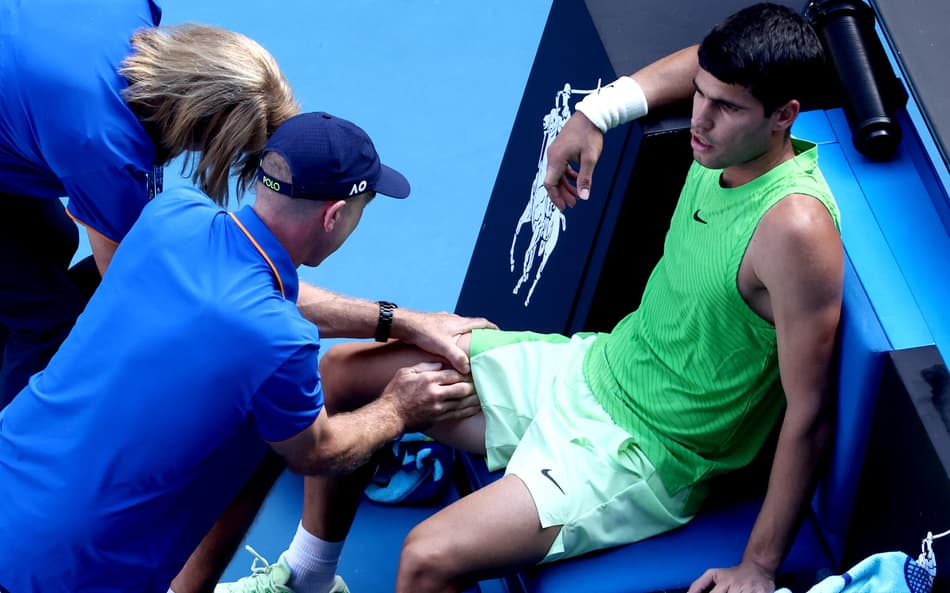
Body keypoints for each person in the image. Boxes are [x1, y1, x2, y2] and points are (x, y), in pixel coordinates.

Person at [217, 3, 843, 593]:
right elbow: (696, 66)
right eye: (700, 95)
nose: (699, 119)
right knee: (339, 374)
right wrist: (594, 113)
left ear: (784, 115)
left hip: (643, 453)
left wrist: (760, 564)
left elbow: (808, 413)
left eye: (725, 108)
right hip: (591, 367)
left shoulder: (794, 230)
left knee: (425, 558)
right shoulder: (725, 138)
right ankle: (309, 576)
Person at [0, 111, 494, 593]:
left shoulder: (173, 216)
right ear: (336, 215)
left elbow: (257, 293)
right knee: (277, 422)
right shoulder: (278, 341)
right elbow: (317, 451)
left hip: (12, 483)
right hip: (73, 571)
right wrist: (398, 408)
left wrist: (400, 320)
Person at [0, 0, 301, 409]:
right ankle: (13, 458)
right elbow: (127, 286)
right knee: (47, 320)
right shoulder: (103, 145)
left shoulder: (131, 9)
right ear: (195, 123)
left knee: (50, 238)